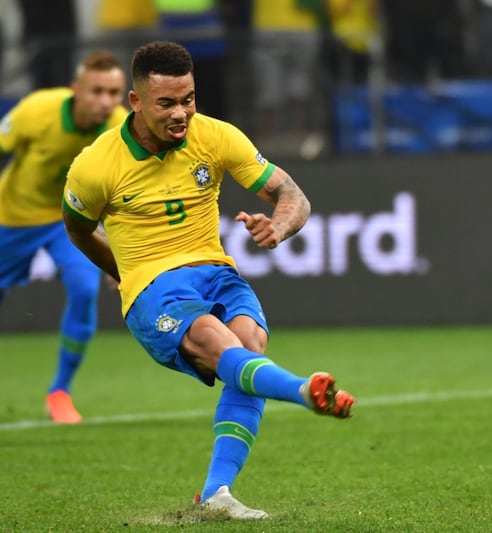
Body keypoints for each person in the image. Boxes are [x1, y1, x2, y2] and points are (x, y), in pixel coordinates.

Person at [62, 41, 355, 520]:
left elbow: (292, 195)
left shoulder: (215, 136)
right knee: (217, 343)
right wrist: (125, 274)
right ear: (135, 102)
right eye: (167, 103)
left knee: (249, 344)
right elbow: (77, 228)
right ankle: (305, 391)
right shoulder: (96, 166)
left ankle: (217, 494)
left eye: (189, 99)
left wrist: (278, 225)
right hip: (155, 283)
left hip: (216, 274)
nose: (182, 113)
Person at [0, 51, 128, 424]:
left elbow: (123, 195)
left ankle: (60, 392)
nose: (106, 101)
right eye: (97, 91)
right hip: (12, 216)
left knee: (84, 289)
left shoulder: (121, 131)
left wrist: (117, 254)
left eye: (114, 93)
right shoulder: (37, 110)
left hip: (68, 222)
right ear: (76, 90)